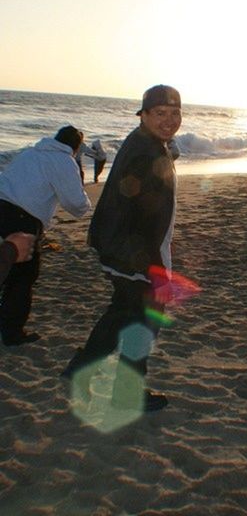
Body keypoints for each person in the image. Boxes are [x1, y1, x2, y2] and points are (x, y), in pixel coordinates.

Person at [62, 85, 182, 412]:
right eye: (160, 114)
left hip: (121, 247)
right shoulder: (149, 151)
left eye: (175, 114)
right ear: (143, 114)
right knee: (141, 323)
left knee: (122, 316)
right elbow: (142, 216)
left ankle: (81, 369)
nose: (169, 121)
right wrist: (155, 270)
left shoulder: (146, 142)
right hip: (133, 253)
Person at [0, 126, 91, 345]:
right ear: (75, 148)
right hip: (22, 219)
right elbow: (76, 205)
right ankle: (12, 333)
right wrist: (83, 190)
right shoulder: (63, 161)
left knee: (4, 267)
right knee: (22, 278)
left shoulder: (30, 152)